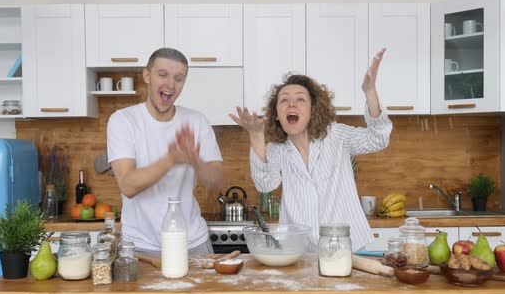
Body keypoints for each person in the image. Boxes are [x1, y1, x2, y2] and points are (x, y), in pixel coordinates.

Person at [229, 48, 391, 252]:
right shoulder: (277, 150)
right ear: (277, 114)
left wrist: (370, 91)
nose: (291, 104)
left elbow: (379, 138)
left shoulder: (336, 136)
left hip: (348, 248)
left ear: (312, 109)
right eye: (284, 100)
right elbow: (265, 184)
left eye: (300, 99)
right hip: (301, 252)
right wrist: (255, 135)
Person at [107, 48, 224, 254]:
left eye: (179, 78)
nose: (171, 84)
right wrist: (171, 159)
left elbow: (217, 182)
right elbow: (128, 185)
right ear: (147, 76)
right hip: (140, 246)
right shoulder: (123, 120)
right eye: (163, 75)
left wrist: (196, 160)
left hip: (193, 242)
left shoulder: (196, 121)